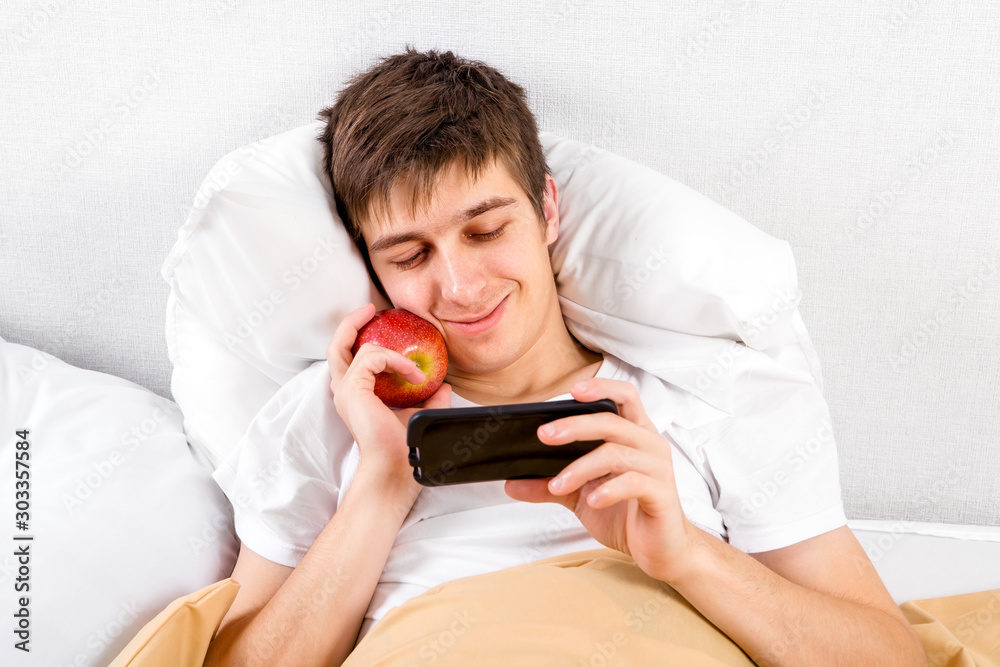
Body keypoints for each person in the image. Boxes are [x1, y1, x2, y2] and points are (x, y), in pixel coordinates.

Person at [203, 46, 925, 666]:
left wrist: (684, 554)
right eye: (411, 253)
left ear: (547, 208)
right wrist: (384, 482)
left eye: (486, 230)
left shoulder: (715, 392)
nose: (459, 285)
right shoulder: (328, 419)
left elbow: (890, 655)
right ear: (372, 267)